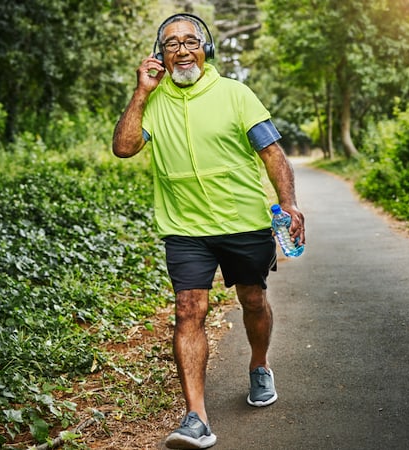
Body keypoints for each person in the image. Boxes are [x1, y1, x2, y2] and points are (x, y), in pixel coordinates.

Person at [112, 13, 305, 449]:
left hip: (243, 223)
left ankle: (259, 365)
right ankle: (196, 418)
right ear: (159, 55)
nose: (181, 49)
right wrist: (142, 92)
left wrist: (289, 203)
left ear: (207, 48)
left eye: (190, 41)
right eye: (171, 43)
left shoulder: (236, 95)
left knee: (252, 299)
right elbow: (124, 148)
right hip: (185, 229)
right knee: (188, 310)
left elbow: (273, 153)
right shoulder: (153, 101)